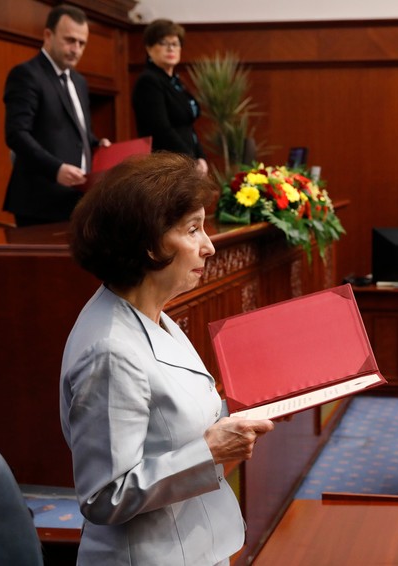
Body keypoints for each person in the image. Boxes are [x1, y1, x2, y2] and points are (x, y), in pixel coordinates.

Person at [60, 152, 275, 565]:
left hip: (194, 545)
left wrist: (247, 410)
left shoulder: (151, 313)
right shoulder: (110, 350)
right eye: (193, 229)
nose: (209, 246)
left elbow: (169, 422)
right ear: (147, 242)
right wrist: (210, 450)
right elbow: (104, 496)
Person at [3, 4, 111, 227]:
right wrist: (56, 169)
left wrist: (97, 144)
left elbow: (79, 133)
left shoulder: (79, 81)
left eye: (82, 43)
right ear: (48, 35)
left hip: (77, 199)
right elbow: (16, 134)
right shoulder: (26, 75)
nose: (76, 49)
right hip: (39, 203)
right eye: (70, 40)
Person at [132, 19, 208, 175]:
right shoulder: (149, 81)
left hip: (185, 162)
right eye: (163, 43)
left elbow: (188, 127)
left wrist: (200, 157)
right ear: (149, 48)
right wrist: (191, 160)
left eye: (175, 43)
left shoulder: (176, 82)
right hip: (165, 167)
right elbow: (161, 129)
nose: (171, 48)